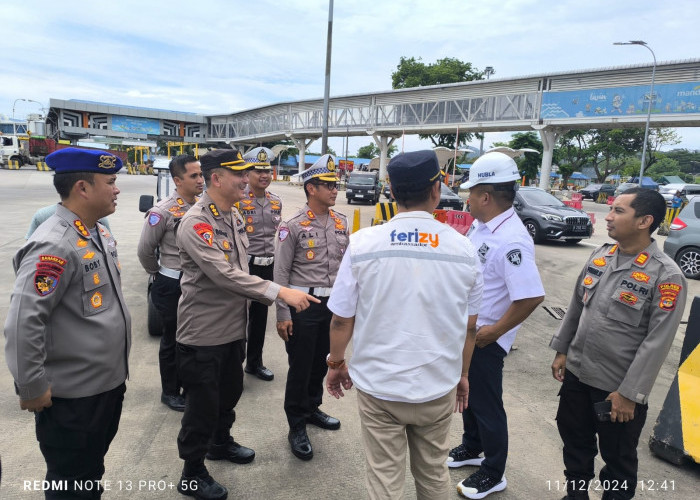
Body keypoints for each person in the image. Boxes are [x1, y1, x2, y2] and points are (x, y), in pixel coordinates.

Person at [325, 150, 483, 500]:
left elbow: (340, 318)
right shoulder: (464, 250)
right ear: (436, 190)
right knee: (432, 474)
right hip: (437, 384)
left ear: (392, 193)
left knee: (384, 479)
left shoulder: (364, 244)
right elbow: (470, 327)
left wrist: (336, 362)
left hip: (380, 386)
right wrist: (463, 374)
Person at [174, 148, 318, 500]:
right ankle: (191, 472)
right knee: (202, 407)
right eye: (239, 174)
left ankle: (220, 443)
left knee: (230, 393)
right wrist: (279, 291)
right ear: (216, 179)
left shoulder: (232, 215)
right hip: (203, 334)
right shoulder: (197, 223)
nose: (246, 179)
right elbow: (225, 275)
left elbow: (241, 270)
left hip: (232, 328)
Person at [4, 147, 130, 499]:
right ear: (83, 188)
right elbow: (23, 321)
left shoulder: (96, 233)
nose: (117, 189)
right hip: (73, 399)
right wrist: (31, 386)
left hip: (103, 387)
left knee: (89, 472)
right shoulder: (54, 243)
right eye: (111, 182)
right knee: (70, 483)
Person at [550, 187, 687, 500]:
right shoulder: (601, 255)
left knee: (619, 462)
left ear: (644, 221)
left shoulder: (665, 275)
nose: (608, 217)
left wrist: (629, 395)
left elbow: (658, 342)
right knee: (575, 445)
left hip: (616, 389)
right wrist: (562, 350)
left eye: (618, 211)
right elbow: (575, 307)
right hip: (576, 375)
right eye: (610, 210)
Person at [446, 151, 545, 499]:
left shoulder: (512, 240)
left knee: (487, 404)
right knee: (468, 395)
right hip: (469, 332)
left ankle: (493, 471)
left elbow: (531, 296)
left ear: (486, 196)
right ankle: (472, 446)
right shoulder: (483, 225)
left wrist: (496, 331)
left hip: (486, 339)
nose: (466, 197)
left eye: (471, 192)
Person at [274, 154, 349, 461]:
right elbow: (280, 273)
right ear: (311, 188)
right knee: (300, 366)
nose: (335, 190)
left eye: (335, 185)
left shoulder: (341, 222)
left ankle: (312, 407)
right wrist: (282, 313)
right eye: (328, 185)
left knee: (323, 362)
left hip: (333, 307)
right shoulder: (291, 226)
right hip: (303, 306)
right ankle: (296, 424)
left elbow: (347, 268)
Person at [137, 154, 204, 411]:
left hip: (198, 285)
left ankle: (190, 385)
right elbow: (145, 250)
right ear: (177, 180)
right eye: (193, 176)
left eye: (201, 175)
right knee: (173, 340)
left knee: (194, 339)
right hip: (173, 284)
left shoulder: (203, 208)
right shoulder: (162, 212)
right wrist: (159, 273)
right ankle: (170, 391)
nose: (200, 180)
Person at [237, 147, 282, 381]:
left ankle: (254, 363)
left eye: (267, 170)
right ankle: (234, 365)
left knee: (260, 318)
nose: (264, 175)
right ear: (247, 173)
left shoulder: (276, 202)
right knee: (238, 317)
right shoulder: (238, 201)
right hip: (245, 267)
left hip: (268, 267)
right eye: (258, 170)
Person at [27, 204, 111, 239]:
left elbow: (29, 251)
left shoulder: (42, 215)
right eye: (110, 182)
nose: (116, 190)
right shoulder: (99, 218)